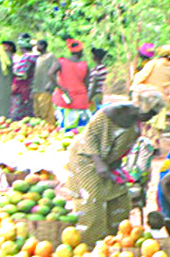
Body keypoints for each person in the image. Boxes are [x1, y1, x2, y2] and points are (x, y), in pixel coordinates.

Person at [63, 91, 163, 245]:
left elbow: (120, 150)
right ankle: (89, 246)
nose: (150, 118)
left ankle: (112, 243)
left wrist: (117, 171)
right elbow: (90, 136)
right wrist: (99, 164)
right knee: (93, 201)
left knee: (121, 199)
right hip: (86, 158)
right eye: (150, 113)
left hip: (107, 163)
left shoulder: (136, 123)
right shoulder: (112, 112)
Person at [51, 38, 90, 131]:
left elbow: (50, 74)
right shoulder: (84, 65)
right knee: (80, 131)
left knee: (64, 131)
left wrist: (60, 88)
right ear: (81, 51)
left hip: (64, 100)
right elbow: (87, 84)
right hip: (80, 102)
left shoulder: (61, 62)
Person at [131, 44, 170, 130]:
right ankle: (155, 141)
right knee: (157, 126)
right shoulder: (169, 67)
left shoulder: (153, 63)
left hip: (149, 96)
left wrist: (133, 87)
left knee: (145, 124)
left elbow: (141, 76)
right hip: (162, 98)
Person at [9, 34, 37, 120]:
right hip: (29, 85)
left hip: (23, 85)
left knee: (18, 109)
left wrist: (12, 73)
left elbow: (21, 73)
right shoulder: (34, 56)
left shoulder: (27, 57)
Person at [32, 39, 56, 124]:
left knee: (46, 111)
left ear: (42, 46)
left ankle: (50, 127)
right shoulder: (38, 58)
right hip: (37, 88)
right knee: (37, 111)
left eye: (38, 45)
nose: (36, 47)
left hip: (45, 88)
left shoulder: (50, 56)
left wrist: (51, 83)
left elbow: (54, 71)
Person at [88, 47, 108, 111]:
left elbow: (94, 84)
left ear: (96, 57)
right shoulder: (101, 68)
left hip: (94, 94)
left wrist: (89, 97)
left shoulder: (98, 69)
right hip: (97, 94)